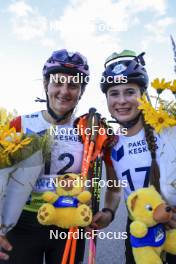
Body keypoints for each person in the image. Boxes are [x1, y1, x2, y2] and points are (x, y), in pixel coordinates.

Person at [0, 49, 120, 263]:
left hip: (70, 223)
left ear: (81, 92)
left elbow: (113, 184)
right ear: (46, 85)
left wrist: (109, 212)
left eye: (73, 85)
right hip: (24, 222)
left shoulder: (91, 129)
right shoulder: (21, 124)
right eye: (58, 82)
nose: (64, 91)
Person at [100, 50, 176, 264]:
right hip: (139, 231)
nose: (122, 100)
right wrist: (107, 212)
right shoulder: (111, 144)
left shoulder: (168, 131)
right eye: (114, 93)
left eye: (130, 92)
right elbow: (115, 188)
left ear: (143, 94)